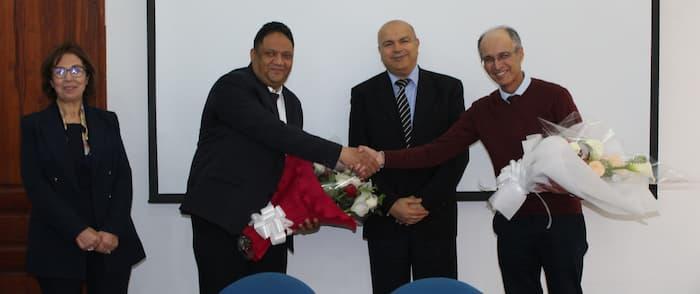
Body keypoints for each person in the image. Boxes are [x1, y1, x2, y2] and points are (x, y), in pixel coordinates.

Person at [363, 26, 588, 294]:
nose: (497, 65)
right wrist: (382, 157)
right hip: (513, 221)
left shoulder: (554, 95)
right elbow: (436, 150)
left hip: (561, 220)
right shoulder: (482, 110)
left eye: (503, 55)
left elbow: (582, 152)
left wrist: (568, 173)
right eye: (488, 59)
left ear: (520, 53)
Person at [179, 21, 379, 294]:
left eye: (287, 56)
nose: (279, 62)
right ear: (253, 55)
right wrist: (340, 154)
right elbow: (272, 133)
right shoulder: (232, 87)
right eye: (270, 54)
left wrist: (304, 214)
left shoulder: (293, 103)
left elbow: (291, 167)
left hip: (271, 227)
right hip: (223, 222)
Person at [348, 20, 469, 294]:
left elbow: (457, 155)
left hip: (435, 219)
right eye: (388, 44)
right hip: (385, 222)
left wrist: (425, 203)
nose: (397, 48)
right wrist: (391, 204)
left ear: (417, 44)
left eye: (404, 40)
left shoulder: (449, 89)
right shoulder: (363, 94)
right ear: (379, 51)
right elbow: (359, 160)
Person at [20, 42, 146, 294]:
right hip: (57, 240)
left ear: (88, 78)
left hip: (108, 240)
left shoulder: (107, 121)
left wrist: (112, 229)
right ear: (50, 80)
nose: (69, 78)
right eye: (60, 72)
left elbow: (122, 179)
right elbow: (36, 186)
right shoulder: (34, 126)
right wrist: (77, 230)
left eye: (77, 71)